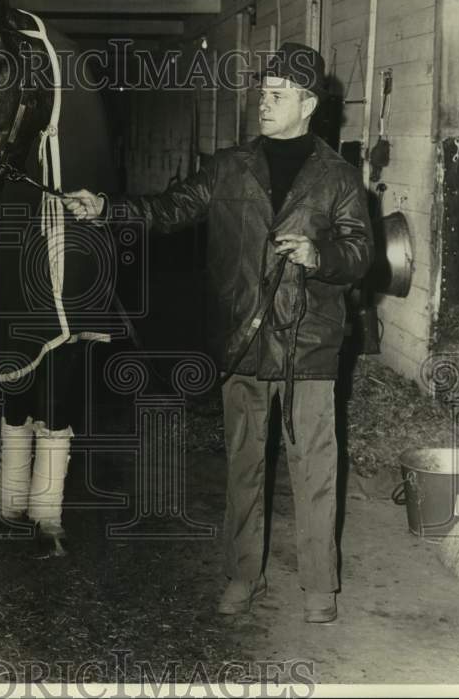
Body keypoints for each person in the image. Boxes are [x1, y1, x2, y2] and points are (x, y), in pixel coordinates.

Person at [62, 42, 373, 623]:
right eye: (262, 93)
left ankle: (318, 588)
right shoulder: (230, 166)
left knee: (316, 469)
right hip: (244, 342)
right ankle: (241, 577)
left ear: (308, 104)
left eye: (277, 95)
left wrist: (319, 251)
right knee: (244, 466)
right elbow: (168, 209)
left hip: (310, 345)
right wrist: (106, 207)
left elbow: (361, 254)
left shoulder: (339, 178)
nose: (264, 103)